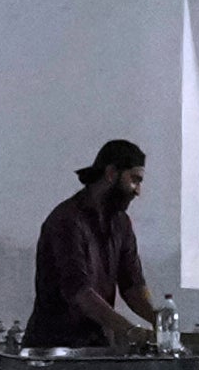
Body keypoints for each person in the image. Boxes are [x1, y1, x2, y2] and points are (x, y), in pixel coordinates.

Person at [29, 141, 156, 351]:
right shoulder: (66, 221)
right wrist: (130, 330)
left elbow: (132, 284)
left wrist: (160, 322)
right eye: (134, 180)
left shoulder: (121, 223)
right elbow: (80, 293)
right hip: (56, 349)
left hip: (96, 346)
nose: (138, 191)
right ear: (111, 173)